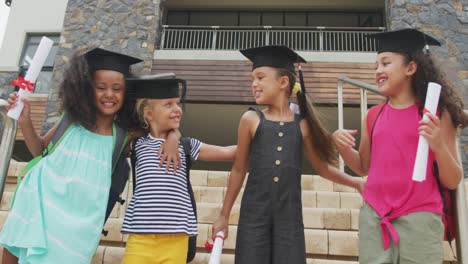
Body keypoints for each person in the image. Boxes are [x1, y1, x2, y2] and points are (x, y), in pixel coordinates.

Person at [212, 45, 363, 264]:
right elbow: (238, 169)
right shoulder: (250, 120)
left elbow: (322, 168)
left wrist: (356, 183)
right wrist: (223, 216)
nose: (254, 84)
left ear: (283, 82)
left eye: (261, 77)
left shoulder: (302, 126)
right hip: (253, 219)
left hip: (289, 221)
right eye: (252, 78)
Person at [0, 47, 146, 264]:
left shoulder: (124, 136)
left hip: (79, 226)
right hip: (41, 206)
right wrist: (25, 122)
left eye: (117, 89)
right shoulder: (70, 121)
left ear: (128, 94)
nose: (109, 94)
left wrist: (173, 138)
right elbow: (40, 151)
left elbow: (163, 127)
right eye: (100, 87)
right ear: (87, 89)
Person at [332, 29, 467, 264]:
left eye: (385, 63)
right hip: (375, 218)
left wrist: (438, 145)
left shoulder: (435, 115)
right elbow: (364, 167)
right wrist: (343, 148)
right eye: (376, 65)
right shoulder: (373, 116)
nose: (378, 71)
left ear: (410, 68)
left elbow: (453, 180)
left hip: (420, 218)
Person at [121, 76, 236, 263]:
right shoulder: (136, 145)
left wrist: (261, 138)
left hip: (176, 239)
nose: (177, 109)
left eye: (178, 103)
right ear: (149, 114)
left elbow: (227, 152)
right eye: (168, 105)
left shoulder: (187, 146)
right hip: (140, 238)